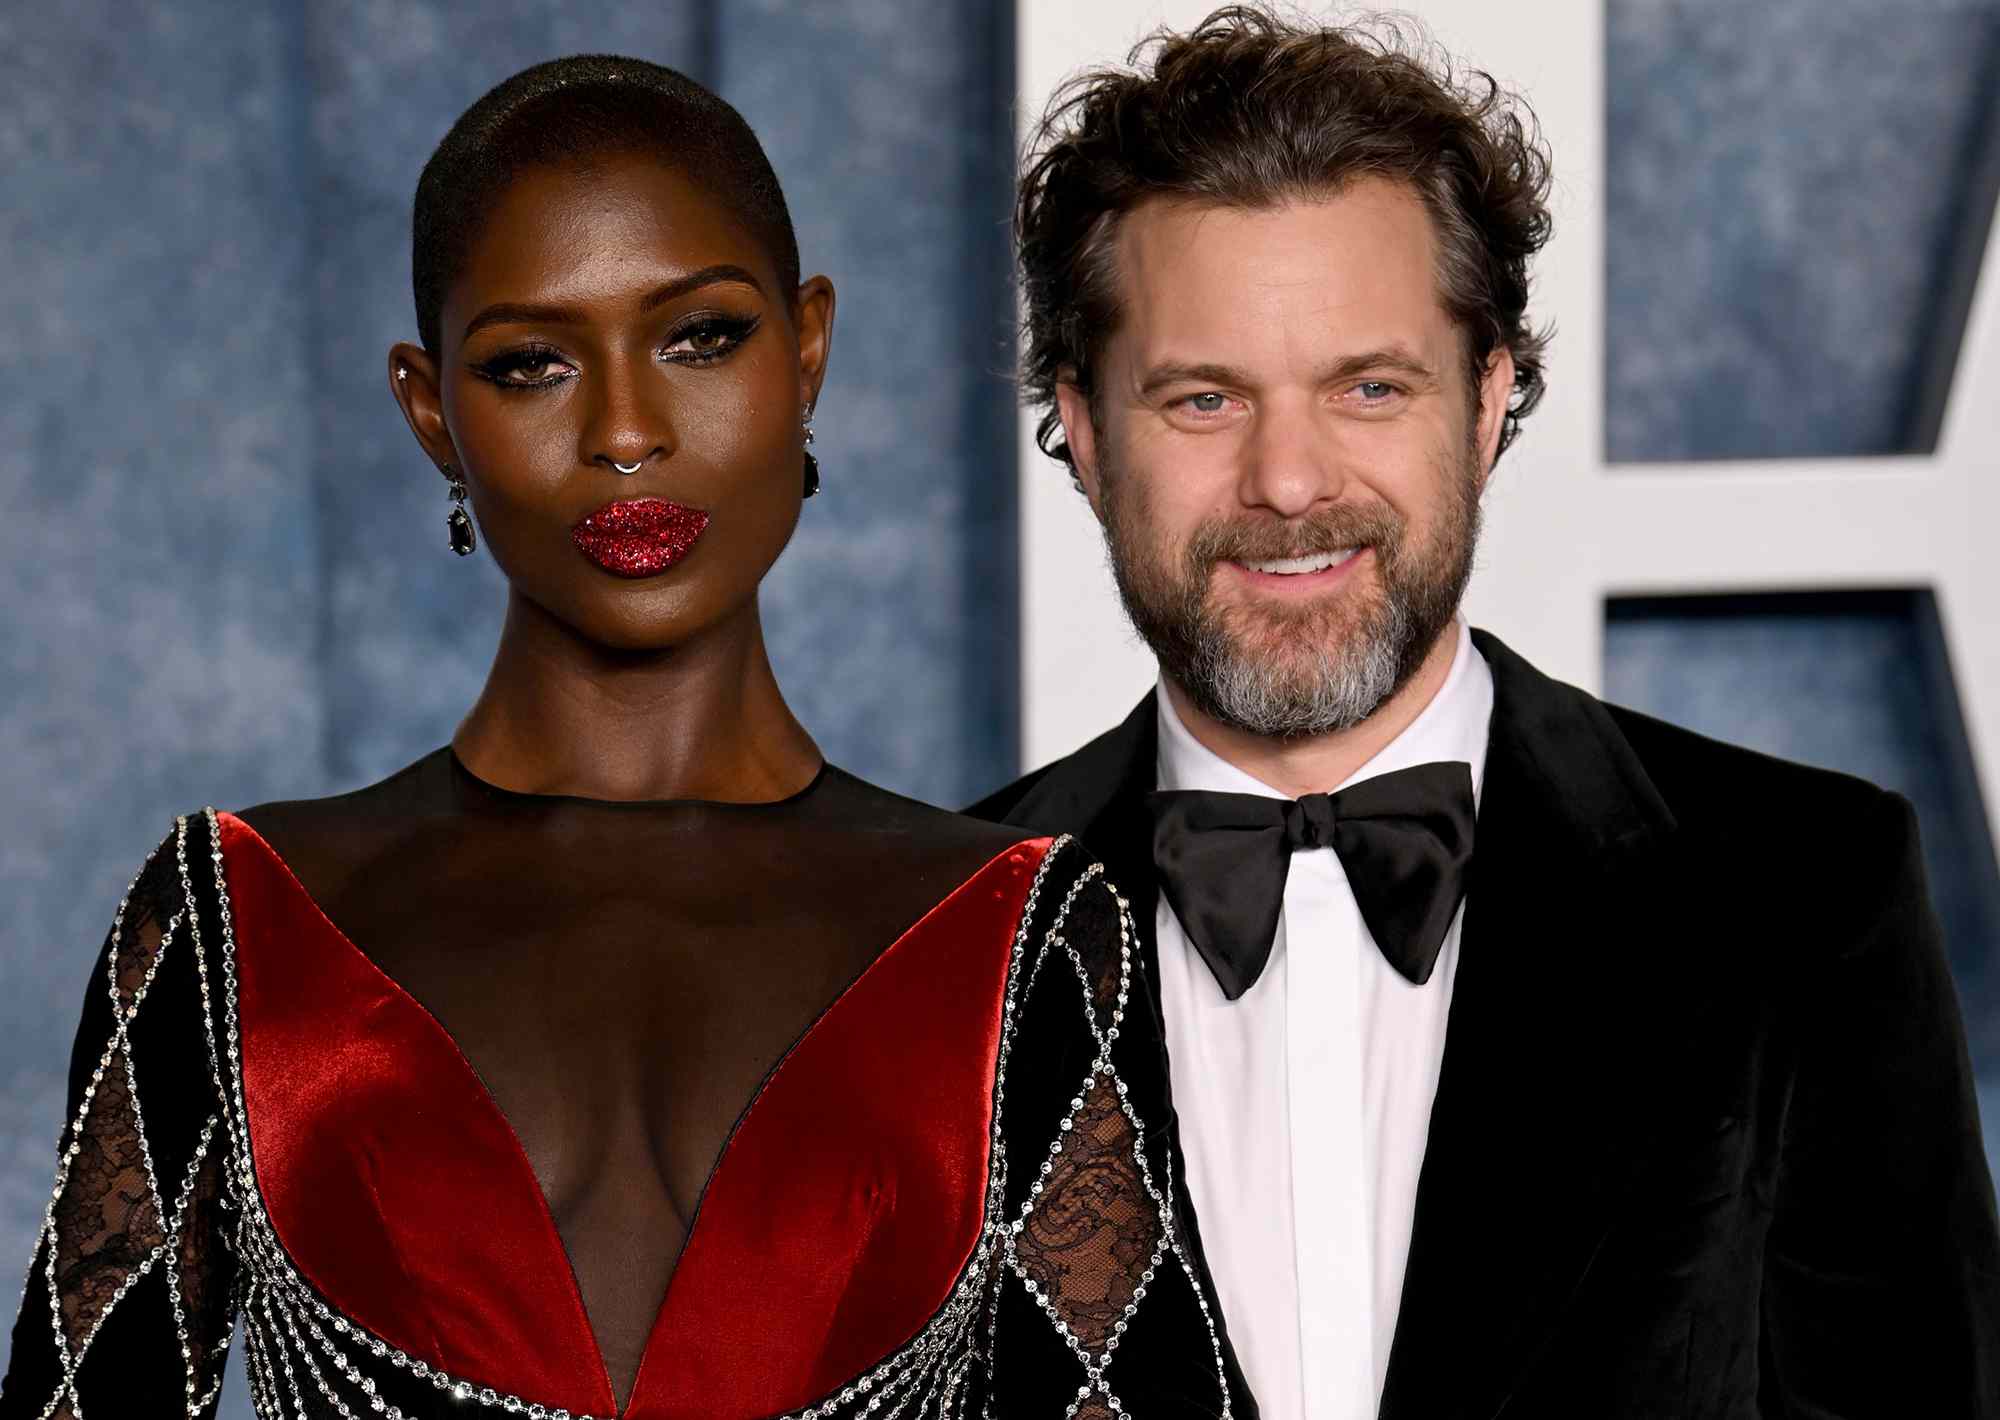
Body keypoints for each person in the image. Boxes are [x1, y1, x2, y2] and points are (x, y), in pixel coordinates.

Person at [1, 57, 1243, 1420]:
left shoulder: (1022, 936)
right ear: (432, 415)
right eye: (532, 365)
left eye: (700, 337)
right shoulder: (235, 921)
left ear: (808, 347)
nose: (628, 431)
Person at [973, 7, 2000, 1418]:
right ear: (1085, 435)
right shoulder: (932, 943)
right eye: (1204, 399)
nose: (1287, 481)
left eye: (1369, 387)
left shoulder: (1805, 896)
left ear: (1488, 401)